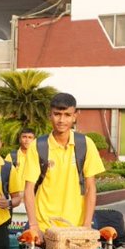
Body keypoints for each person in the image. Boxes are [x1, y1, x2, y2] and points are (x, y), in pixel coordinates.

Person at [22, 92, 105, 238]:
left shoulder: (85, 144)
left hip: (76, 226)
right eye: (57, 114)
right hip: (44, 226)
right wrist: (34, 225)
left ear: (75, 116)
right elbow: (29, 188)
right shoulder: (38, 146)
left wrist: (86, 225)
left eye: (67, 115)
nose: (61, 120)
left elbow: (90, 187)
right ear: (50, 115)